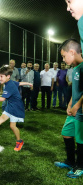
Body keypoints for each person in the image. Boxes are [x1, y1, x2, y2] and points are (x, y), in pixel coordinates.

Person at [0, 66, 33, 151]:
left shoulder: (9, 86)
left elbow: (2, 99)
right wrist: (28, 83)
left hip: (16, 107)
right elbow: (19, 83)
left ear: (8, 76)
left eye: (1, 76)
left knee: (12, 126)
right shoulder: (10, 82)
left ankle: (19, 141)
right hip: (11, 105)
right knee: (1, 119)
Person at [54, 38, 83, 178]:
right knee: (66, 132)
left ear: (72, 52)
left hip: (81, 110)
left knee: (81, 139)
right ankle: (71, 161)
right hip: (75, 109)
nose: (63, 59)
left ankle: (80, 166)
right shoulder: (75, 68)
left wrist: (77, 105)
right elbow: (76, 90)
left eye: (64, 56)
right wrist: (71, 103)